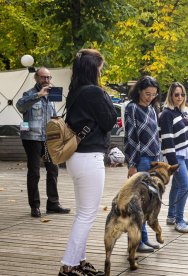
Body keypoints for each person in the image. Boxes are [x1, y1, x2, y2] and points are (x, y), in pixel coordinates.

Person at [60, 49, 117, 276]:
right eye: (100, 68)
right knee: (87, 214)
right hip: (89, 158)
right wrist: (104, 97)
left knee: (83, 213)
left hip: (75, 157)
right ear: (93, 68)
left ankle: (79, 261)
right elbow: (110, 120)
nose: (101, 71)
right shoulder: (94, 92)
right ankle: (68, 265)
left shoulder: (74, 92)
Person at [16, 67, 70, 218]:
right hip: (32, 138)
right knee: (34, 172)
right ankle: (35, 206)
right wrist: (38, 95)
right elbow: (20, 106)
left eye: (48, 77)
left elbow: (52, 116)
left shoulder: (52, 95)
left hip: (48, 140)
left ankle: (53, 204)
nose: (46, 80)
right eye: (43, 77)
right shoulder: (29, 94)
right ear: (36, 78)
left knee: (53, 170)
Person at [124, 76, 162, 253]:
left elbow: (156, 136)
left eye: (154, 94)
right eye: (147, 93)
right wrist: (132, 163)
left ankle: (144, 239)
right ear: (139, 90)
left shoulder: (153, 109)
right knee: (137, 204)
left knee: (148, 203)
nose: (150, 97)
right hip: (141, 159)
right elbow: (131, 138)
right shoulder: (132, 108)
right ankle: (137, 242)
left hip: (154, 159)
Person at [159, 82, 188, 233]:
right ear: (171, 96)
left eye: (182, 94)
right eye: (176, 94)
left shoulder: (181, 112)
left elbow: (185, 136)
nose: (180, 97)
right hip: (176, 156)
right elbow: (167, 139)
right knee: (185, 186)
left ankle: (172, 216)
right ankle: (179, 220)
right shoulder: (167, 114)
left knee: (176, 186)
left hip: (185, 154)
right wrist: (173, 163)